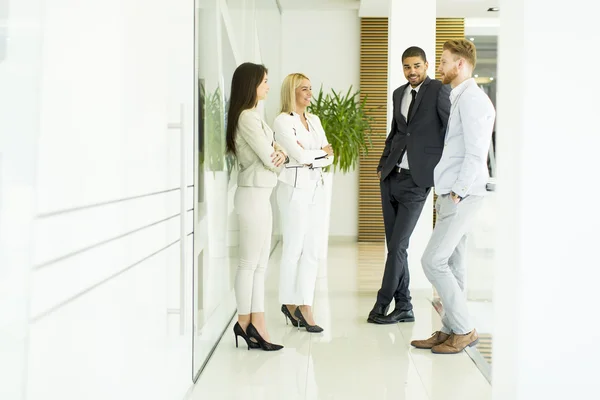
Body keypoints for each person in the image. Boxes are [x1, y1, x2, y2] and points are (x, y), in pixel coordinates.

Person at [411, 39, 495, 354]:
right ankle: (449, 329)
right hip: (453, 192)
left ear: (459, 64)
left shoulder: (473, 100)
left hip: (463, 194)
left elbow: (476, 153)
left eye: (444, 61)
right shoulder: (461, 97)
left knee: (432, 260)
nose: (441, 67)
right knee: (454, 264)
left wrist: (457, 192)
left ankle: (463, 329)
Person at [368, 47, 451, 324]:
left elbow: (450, 131)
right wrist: (382, 164)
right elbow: (396, 132)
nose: (412, 71)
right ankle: (405, 306)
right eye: (406, 67)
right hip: (391, 176)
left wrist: (443, 171)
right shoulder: (398, 94)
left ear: (426, 65)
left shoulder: (439, 90)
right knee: (394, 246)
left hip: (417, 181)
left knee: (399, 245)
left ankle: (382, 303)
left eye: (416, 65)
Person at [226, 62, 287, 351]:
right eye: (264, 81)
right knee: (249, 263)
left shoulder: (255, 116)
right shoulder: (246, 118)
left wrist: (280, 153)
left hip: (262, 195)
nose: (268, 86)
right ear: (251, 84)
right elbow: (269, 156)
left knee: (260, 265)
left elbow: (277, 153)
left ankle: (256, 322)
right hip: (252, 195)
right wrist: (277, 155)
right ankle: (245, 321)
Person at [273, 73, 334, 333]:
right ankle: (289, 301)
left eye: (310, 89)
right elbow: (297, 155)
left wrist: (312, 156)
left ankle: (306, 304)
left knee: (312, 249)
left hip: (316, 189)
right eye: (303, 89)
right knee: (294, 248)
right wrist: (315, 154)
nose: (309, 94)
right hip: (294, 190)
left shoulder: (315, 120)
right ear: (291, 92)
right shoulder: (281, 121)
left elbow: (331, 155)